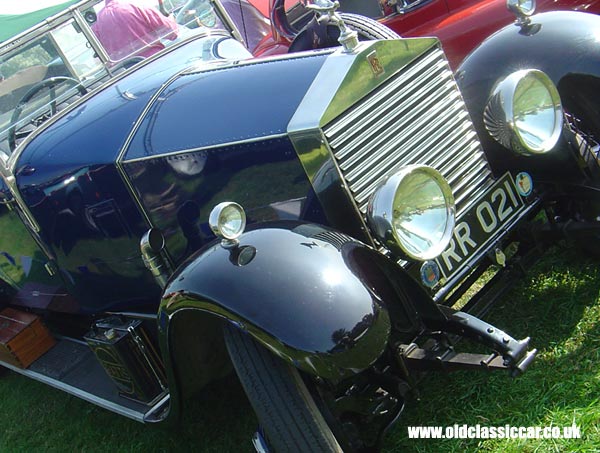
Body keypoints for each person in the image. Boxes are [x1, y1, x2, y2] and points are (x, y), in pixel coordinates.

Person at [92, 0, 179, 62]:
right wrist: (171, 18)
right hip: (156, 62)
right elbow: (172, 33)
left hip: (127, 76)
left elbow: (104, 57)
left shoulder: (97, 24)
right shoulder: (138, 5)